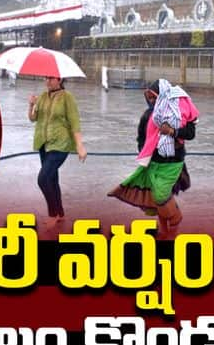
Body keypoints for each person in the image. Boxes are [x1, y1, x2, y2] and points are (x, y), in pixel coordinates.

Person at [108, 79, 199, 237]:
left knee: (160, 194)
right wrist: (144, 154)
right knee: (155, 198)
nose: (151, 101)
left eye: (154, 97)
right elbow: (141, 139)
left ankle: (176, 220)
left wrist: (172, 131)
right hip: (152, 162)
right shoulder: (147, 116)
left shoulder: (179, 114)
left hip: (173, 162)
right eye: (149, 98)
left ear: (163, 97)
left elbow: (190, 134)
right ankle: (164, 231)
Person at [28, 76, 87, 226]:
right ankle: (60, 213)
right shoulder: (42, 96)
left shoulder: (67, 97)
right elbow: (33, 118)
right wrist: (31, 105)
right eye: (46, 78)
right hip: (43, 143)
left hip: (60, 144)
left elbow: (75, 122)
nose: (47, 81)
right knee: (52, 180)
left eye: (51, 78)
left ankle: (52, 214)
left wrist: (80, 146)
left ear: (59, 80)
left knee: (43, 179)